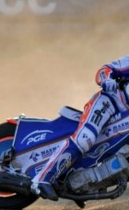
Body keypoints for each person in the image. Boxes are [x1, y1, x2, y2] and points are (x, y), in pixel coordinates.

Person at [31, 55, 129, 200]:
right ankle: (42, 178)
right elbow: (106, 69)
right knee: (86, 138)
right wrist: (107, 80)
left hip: (124, 121)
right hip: (109, 103)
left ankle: (82, 183)